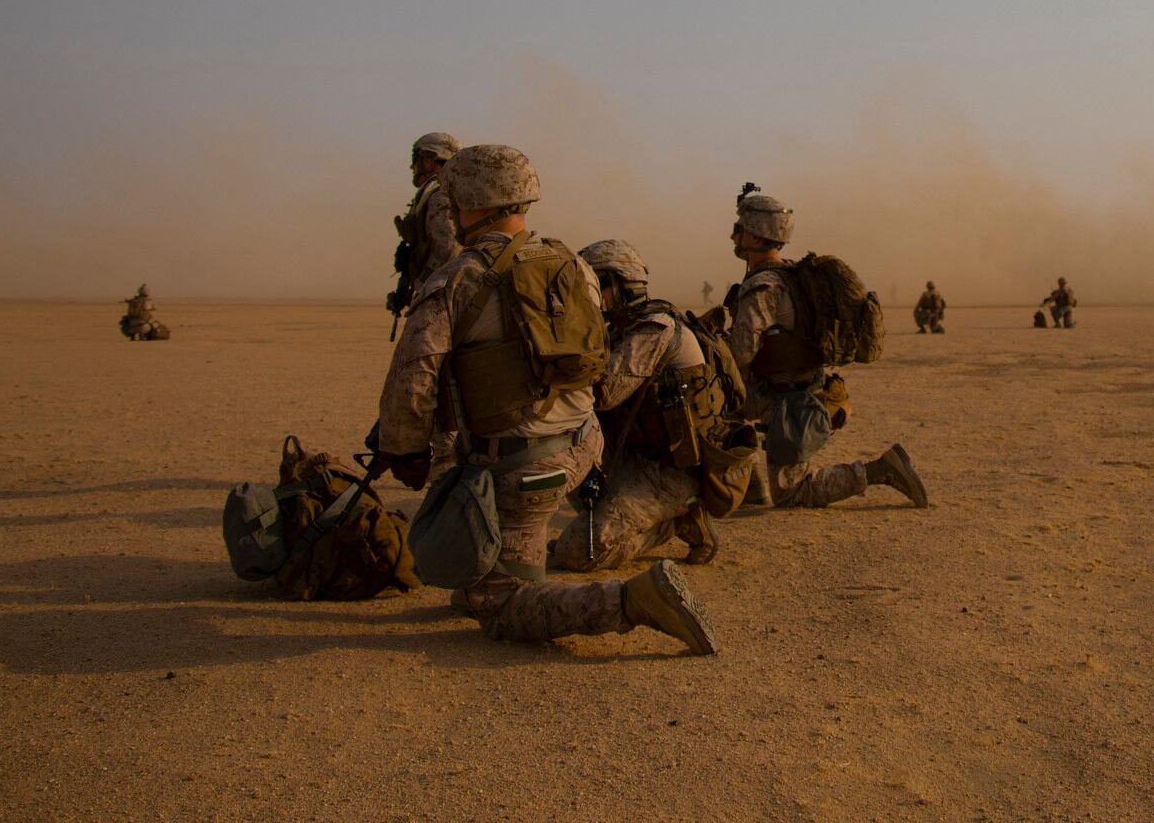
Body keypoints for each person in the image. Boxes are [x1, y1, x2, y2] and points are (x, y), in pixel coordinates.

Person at [372, 144, 716, 652]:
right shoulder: (574, 267)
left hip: (522, 469)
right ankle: (501, 566)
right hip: (580, 450)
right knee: (473, 576)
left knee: (501, 606)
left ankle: (633, 600)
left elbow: (414, 377)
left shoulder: (457, 279)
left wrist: (402, 450)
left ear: (469, 201)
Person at [548, 238, 744, 571]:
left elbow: (604, 392)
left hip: (669, 470)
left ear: (622, 285)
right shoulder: (622, 329)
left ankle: (677, 520)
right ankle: (633, 518)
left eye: (597, 286)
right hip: (635, 457)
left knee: (578, 553)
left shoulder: (655, 330)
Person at [727, 186, 928, 510]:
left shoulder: (762, 286)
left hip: (784, 398)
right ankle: (750, 486)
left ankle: (880, 471)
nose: (733, 238)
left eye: (740, 230)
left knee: (792, 493)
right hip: (805, 386)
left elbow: (741, 352)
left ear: (755, 236)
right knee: (725, 410)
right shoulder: (792, 274)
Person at [388, 132, 463, 327]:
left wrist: (425, 290)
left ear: (430, 161)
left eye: (416, 159)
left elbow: (448, 251)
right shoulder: (436, 193)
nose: (412, 167)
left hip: (443, 299)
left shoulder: (440, 195)